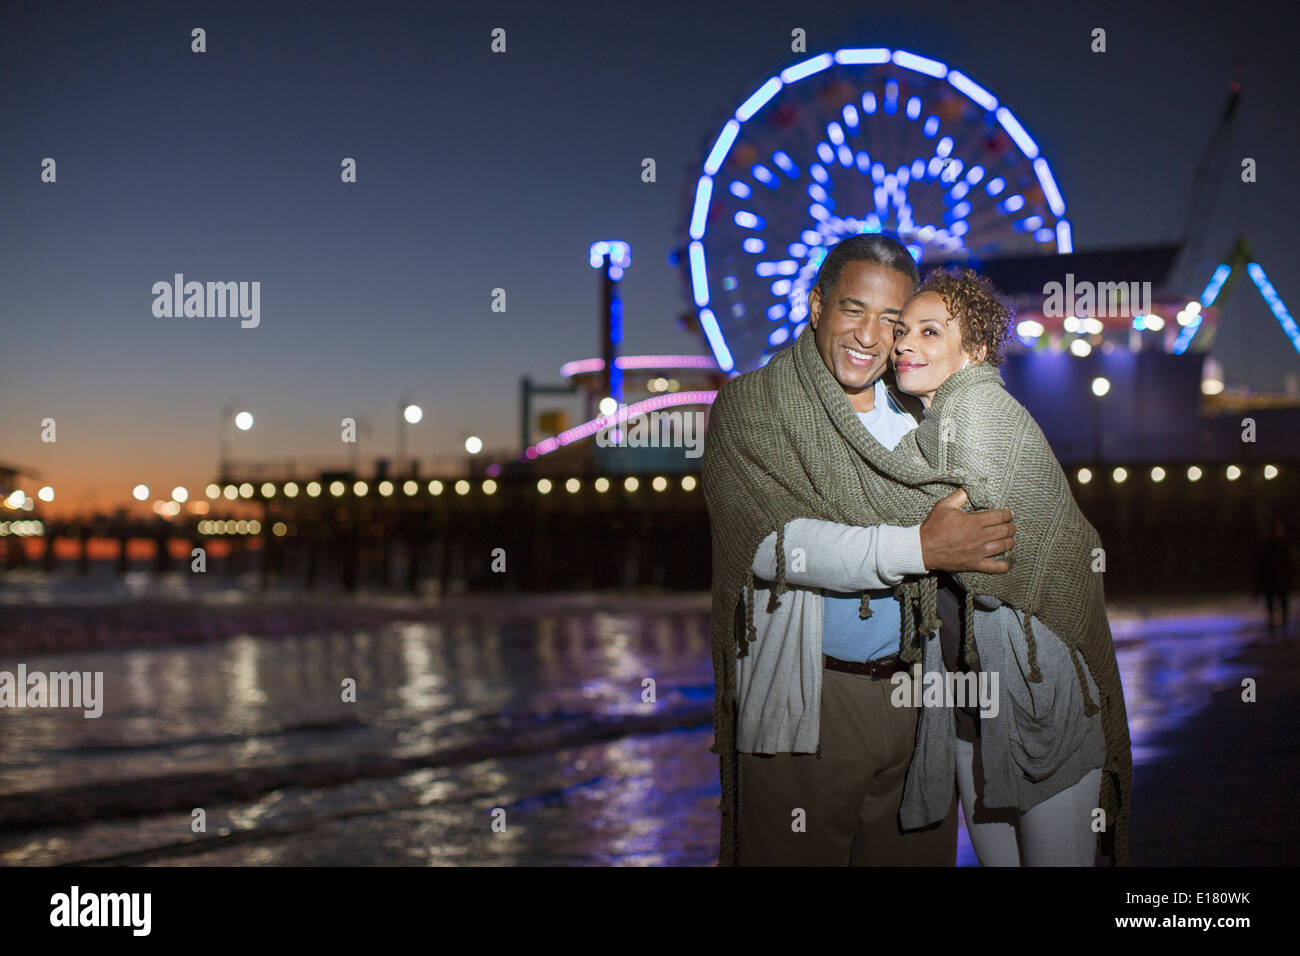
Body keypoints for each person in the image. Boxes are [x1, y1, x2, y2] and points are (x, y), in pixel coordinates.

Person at [702, 234, 1018, 866]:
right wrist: (922, 547)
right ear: (817, 305)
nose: (870, 337)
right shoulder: (751, 408)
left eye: (893, 321)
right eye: (854, 310)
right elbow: (774, 549)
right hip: (807, 700)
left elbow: (1006, 504)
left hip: (919, 699)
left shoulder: (927, 414)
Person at [884, 268, 1132, 865]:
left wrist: (913, 539)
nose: (902, 344)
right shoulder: (933, 429)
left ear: (975, 349)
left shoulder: (981, 412)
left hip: (1036, 694)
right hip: (975, 701)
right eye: (901, 331)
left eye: (928, 332)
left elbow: (993, 558)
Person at [1254, 520, 1293, 633]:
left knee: (1282, 603)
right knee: (1272, 603)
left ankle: (1283, 624)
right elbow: (1260, 565)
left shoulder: (1283, 545)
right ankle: (1274, 623)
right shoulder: (1267, 546)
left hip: (1280, 579)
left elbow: (1289, 563)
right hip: (1271, 579)